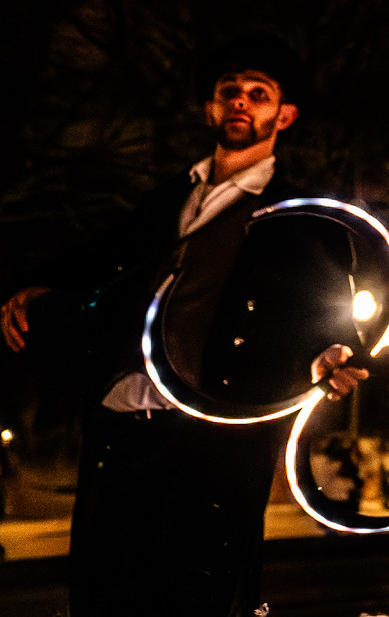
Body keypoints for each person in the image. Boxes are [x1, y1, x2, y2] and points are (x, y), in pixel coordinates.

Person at [0, 32, 368, 617]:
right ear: (210, 108)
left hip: (213, 436)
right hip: (122, 426)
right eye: (230, 92)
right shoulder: (168, 198)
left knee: (198, 598)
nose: (241, 102)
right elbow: (108, 257)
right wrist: (41, 285)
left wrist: (325, 353)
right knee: (106, 597)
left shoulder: (301, 217)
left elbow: (323, 305)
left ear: (285, 114)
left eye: (259, 93)